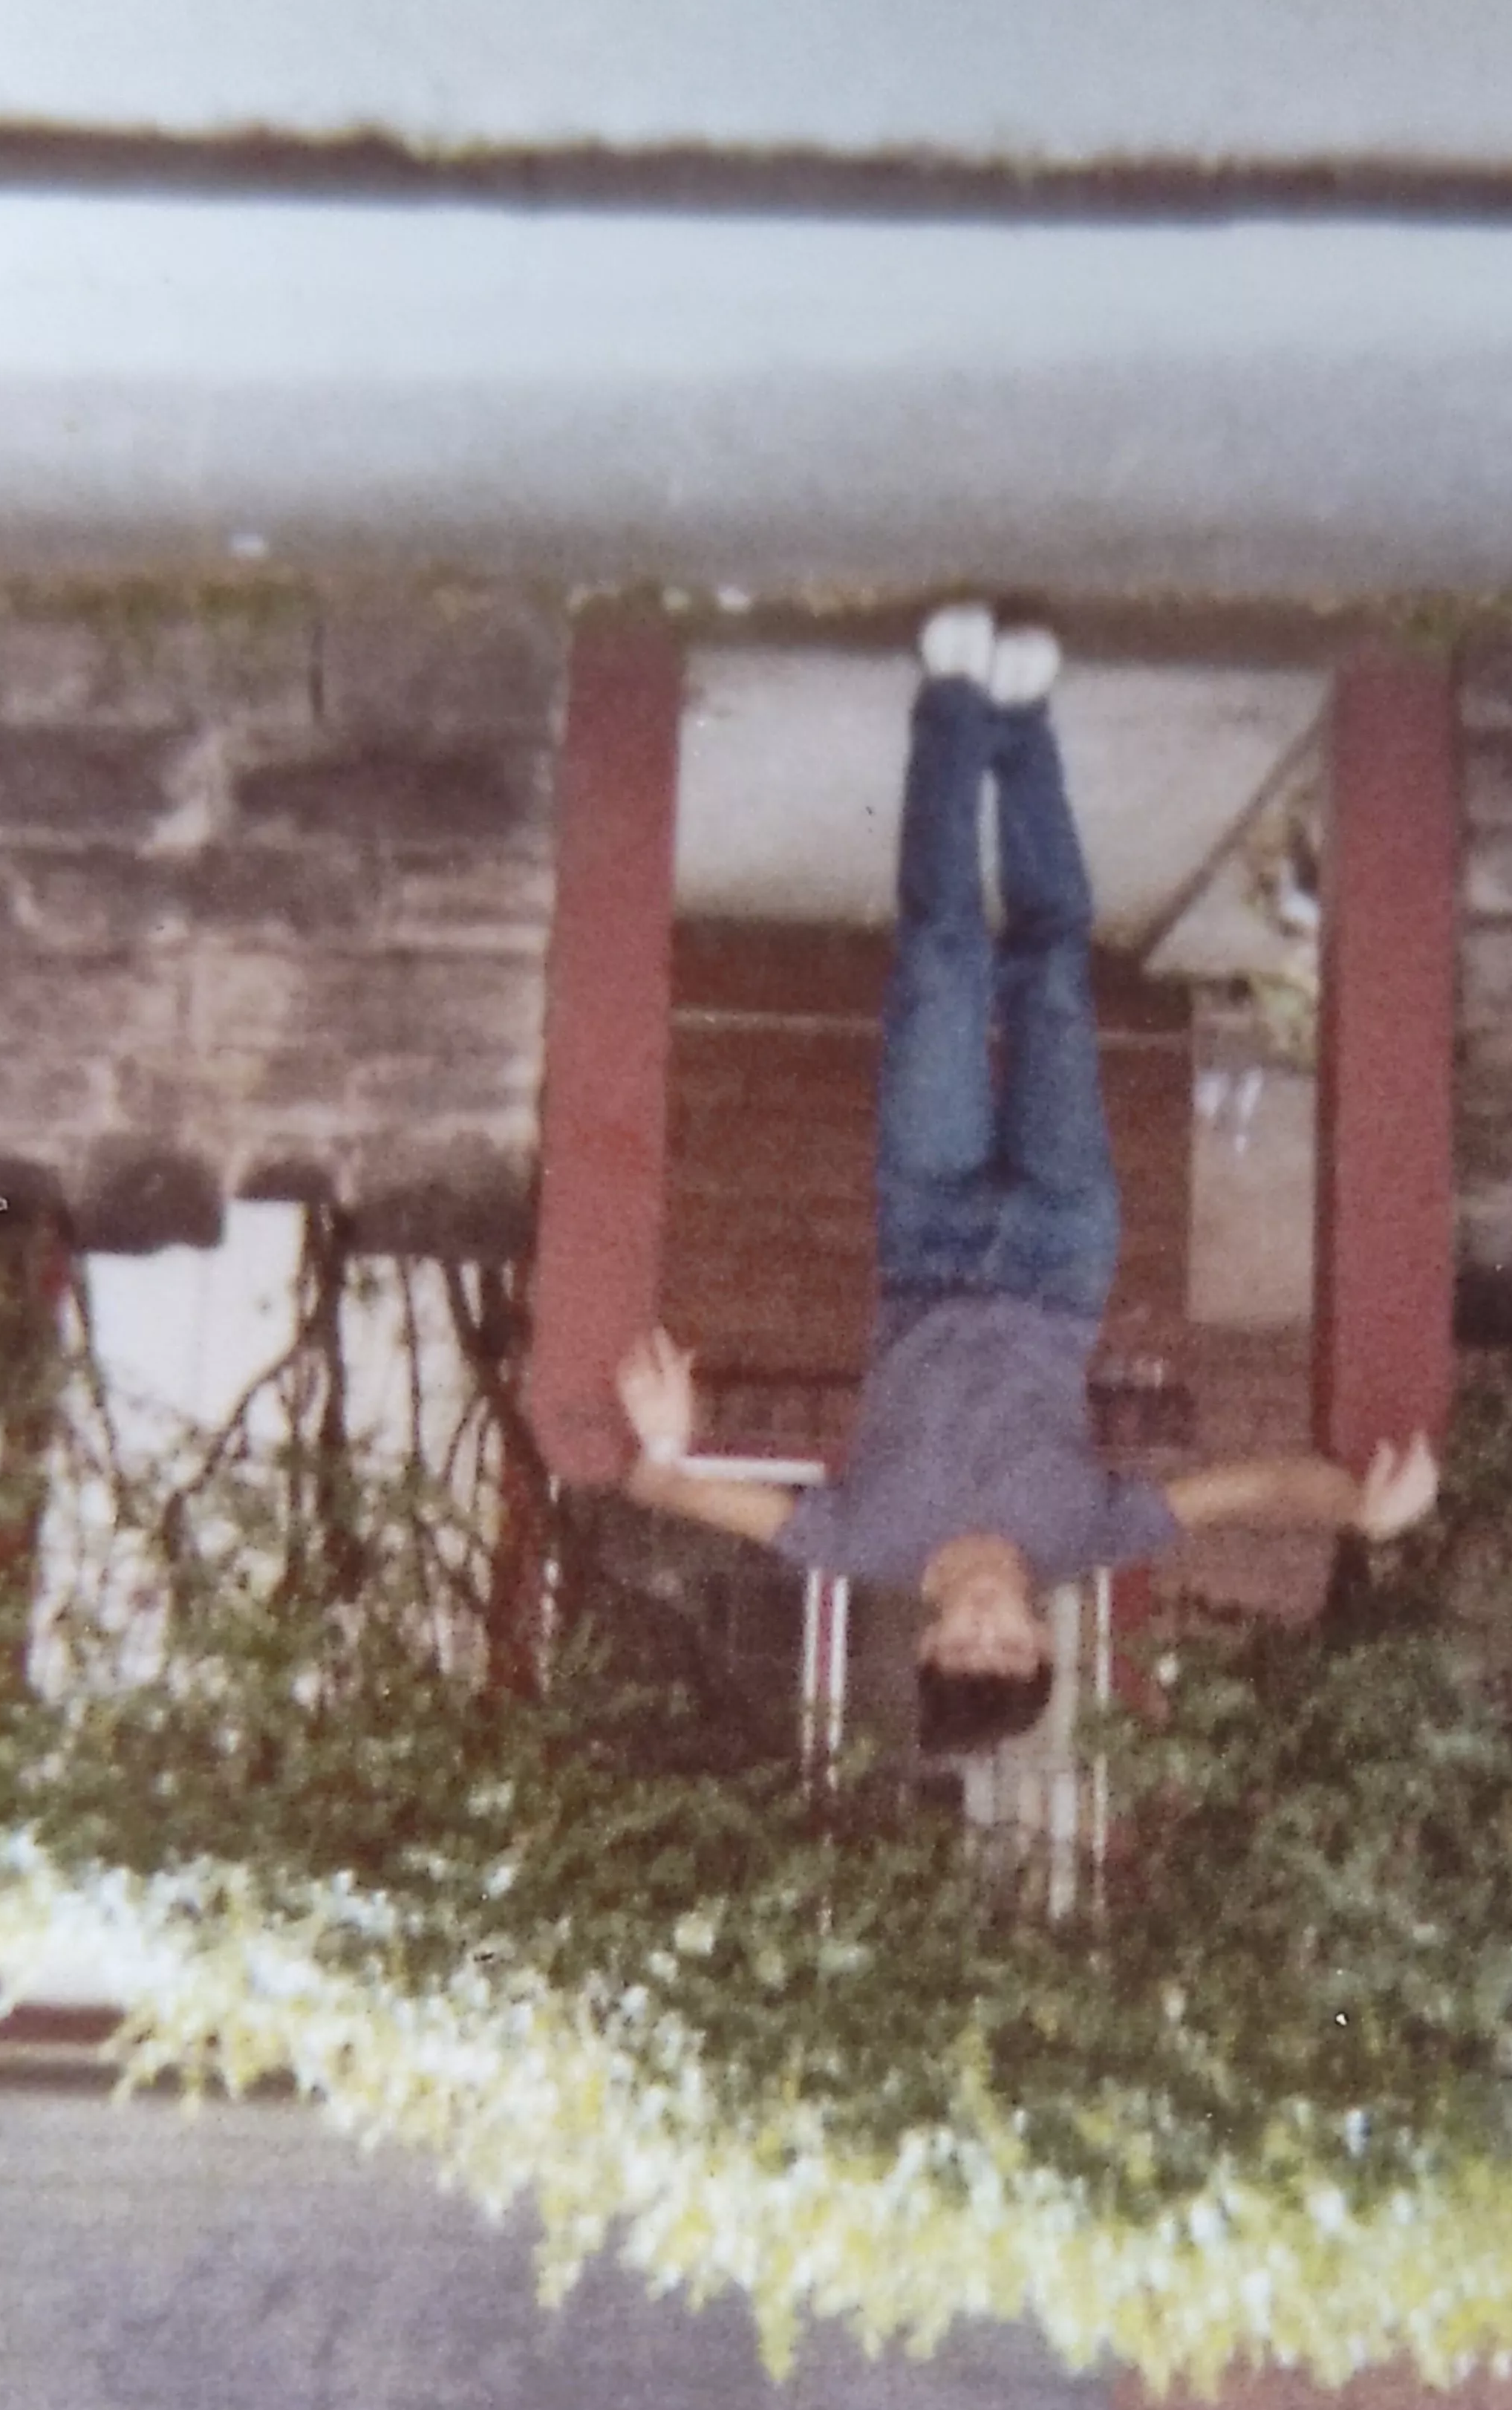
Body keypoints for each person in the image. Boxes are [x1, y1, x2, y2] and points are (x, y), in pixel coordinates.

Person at [615, 603, 1439, 1754]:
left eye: (969, 1652)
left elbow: (664, 1498)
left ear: (927, 1644)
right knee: (1052, 971)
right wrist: (1363, 1512)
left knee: (943, 965)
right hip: (1060, 1254)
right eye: (1014, 1653)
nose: (994, 1631)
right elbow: (1251, 1489)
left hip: (926, 1236)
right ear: (1047, 1645)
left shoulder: (856, 1544)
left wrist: (666, 1438)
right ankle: (1026, 717)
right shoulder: (1092, 1536)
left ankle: (956, 705)